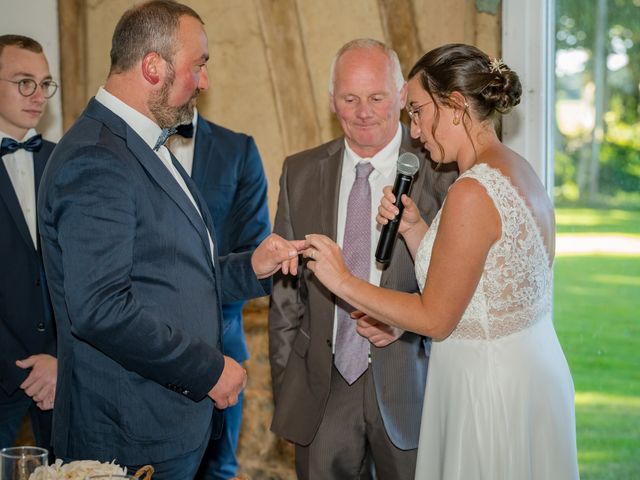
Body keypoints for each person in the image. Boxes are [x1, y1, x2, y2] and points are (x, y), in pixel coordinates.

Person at [37, 2, 303, 478]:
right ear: (153, 66)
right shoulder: (97, 158)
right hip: (127, 432)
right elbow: (101, 308)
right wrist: (209, 370)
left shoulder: (140, 143)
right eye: (198, 66)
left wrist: (250, 267)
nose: (204, 82)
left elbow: (168, 273)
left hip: (160, 423)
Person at [304, 43, 580, 479]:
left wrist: (342, 281)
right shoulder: (517, 170)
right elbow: (481, 285)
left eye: (416, 111)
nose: (413, 131)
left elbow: (436, 317)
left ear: (453, 106)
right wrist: (415, 230)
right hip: (527, 374)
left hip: (488, 391)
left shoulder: (471, 191)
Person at [268, 38, 457, 479]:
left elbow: (458, 288)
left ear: (400, 98)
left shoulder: (440, 173)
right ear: (332, 100)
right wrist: (288, 381)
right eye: (350, 98)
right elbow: (285, 292)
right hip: (323, 388)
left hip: (411, 383)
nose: (364, 111)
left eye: (376, 97)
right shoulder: (299, 171)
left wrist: (412, 331)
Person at [168, 108, 271, 480]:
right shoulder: (129, 144)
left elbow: (254, 254)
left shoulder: (237, 150)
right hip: (140, 352)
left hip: (221, 348)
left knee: (217, 470)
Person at [0, 34, 58, 451]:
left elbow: (82, 268)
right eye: (24, 82)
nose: (38, 95)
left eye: (45, 83)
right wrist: (18, 367)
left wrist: (58, 357)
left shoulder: (66, 160)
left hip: (61, 374)